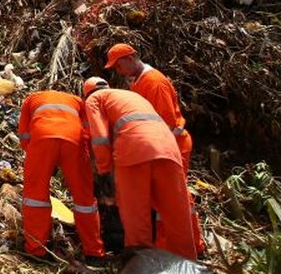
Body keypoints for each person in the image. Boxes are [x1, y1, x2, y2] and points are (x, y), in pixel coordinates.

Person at [106, 43, 205, 254]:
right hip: (160, 146)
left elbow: (168, 124)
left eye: (119, 65)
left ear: (131, 58)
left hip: (172, 145)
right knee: (162, 197)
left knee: (174, 197)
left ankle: (192, 246)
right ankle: (167, 246)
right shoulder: (139, 82)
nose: (118, 71)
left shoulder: (154, 82)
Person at [82, 77, 196, 259]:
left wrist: (104, 171)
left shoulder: (94, 99)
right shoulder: (131, 96)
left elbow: (100, 138)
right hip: (168, 148)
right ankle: (188, 264)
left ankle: (140, 264)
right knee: (176, 215)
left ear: (86, 93)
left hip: (134, 149)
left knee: (135, 215)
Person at [18, 89, 105, 262]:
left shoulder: (30, 99)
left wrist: (39, 160)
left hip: (42, 138)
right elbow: (87, 132)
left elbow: (24, 135)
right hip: (74, 139)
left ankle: (37, 250)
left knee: (35, 197)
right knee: (84, 199)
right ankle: (94, 252)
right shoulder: (77, 101)